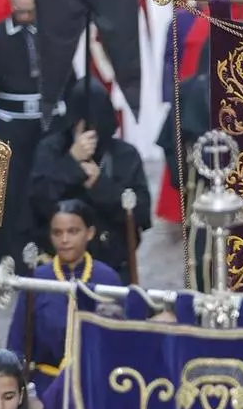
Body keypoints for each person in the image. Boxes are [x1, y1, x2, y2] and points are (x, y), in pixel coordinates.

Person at [0, 0, 57, 268]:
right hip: (10, 124)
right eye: (20, 11)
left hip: (44, 124)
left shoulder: (50, 32)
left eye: (29, 11)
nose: (24, 17)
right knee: (10, 192)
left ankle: (47, 250)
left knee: (44, 187)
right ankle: (9, 256)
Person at [5, 196, 123, 405]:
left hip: (95, 387)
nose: (65, 239)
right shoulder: (37, 280)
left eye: (73, 231)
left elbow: (121, 340)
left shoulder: (108, 279)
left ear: (90, 233)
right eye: (57, 233)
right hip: (45, 388)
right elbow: (17, 342)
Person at [29, 83, 151, 274]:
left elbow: (141, 213)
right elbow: (38, 201)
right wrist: (71, 164)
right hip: (59, 266)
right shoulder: (51, 149)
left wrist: (100, 185)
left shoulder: (125, 155)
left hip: (114, 265)